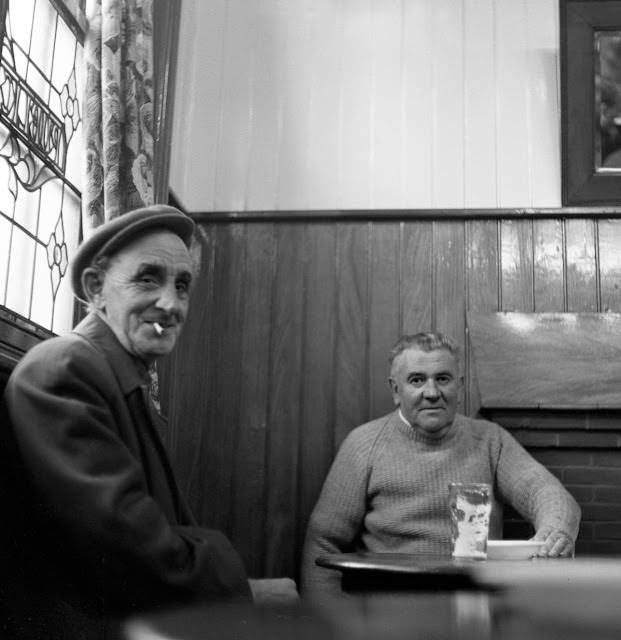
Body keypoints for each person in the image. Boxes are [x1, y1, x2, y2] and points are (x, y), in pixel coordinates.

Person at [0, 205, 297, 640]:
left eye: (182, 286)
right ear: (95, 287)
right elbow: (120, 544)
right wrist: (243, 593)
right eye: (147, 278)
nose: (171, 304)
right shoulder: (65, 369)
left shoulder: (118, 374)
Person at [301, 332, 581, 598]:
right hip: (386, 614)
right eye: (417, 380)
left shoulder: (490, 439)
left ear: (459, 385)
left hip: (473, 611)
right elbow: (323, 541)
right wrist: (330, 624)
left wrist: (556, 532)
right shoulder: (362, 445)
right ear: (395, 390)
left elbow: (546, 493)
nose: (432, 392)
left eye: (443, 379)